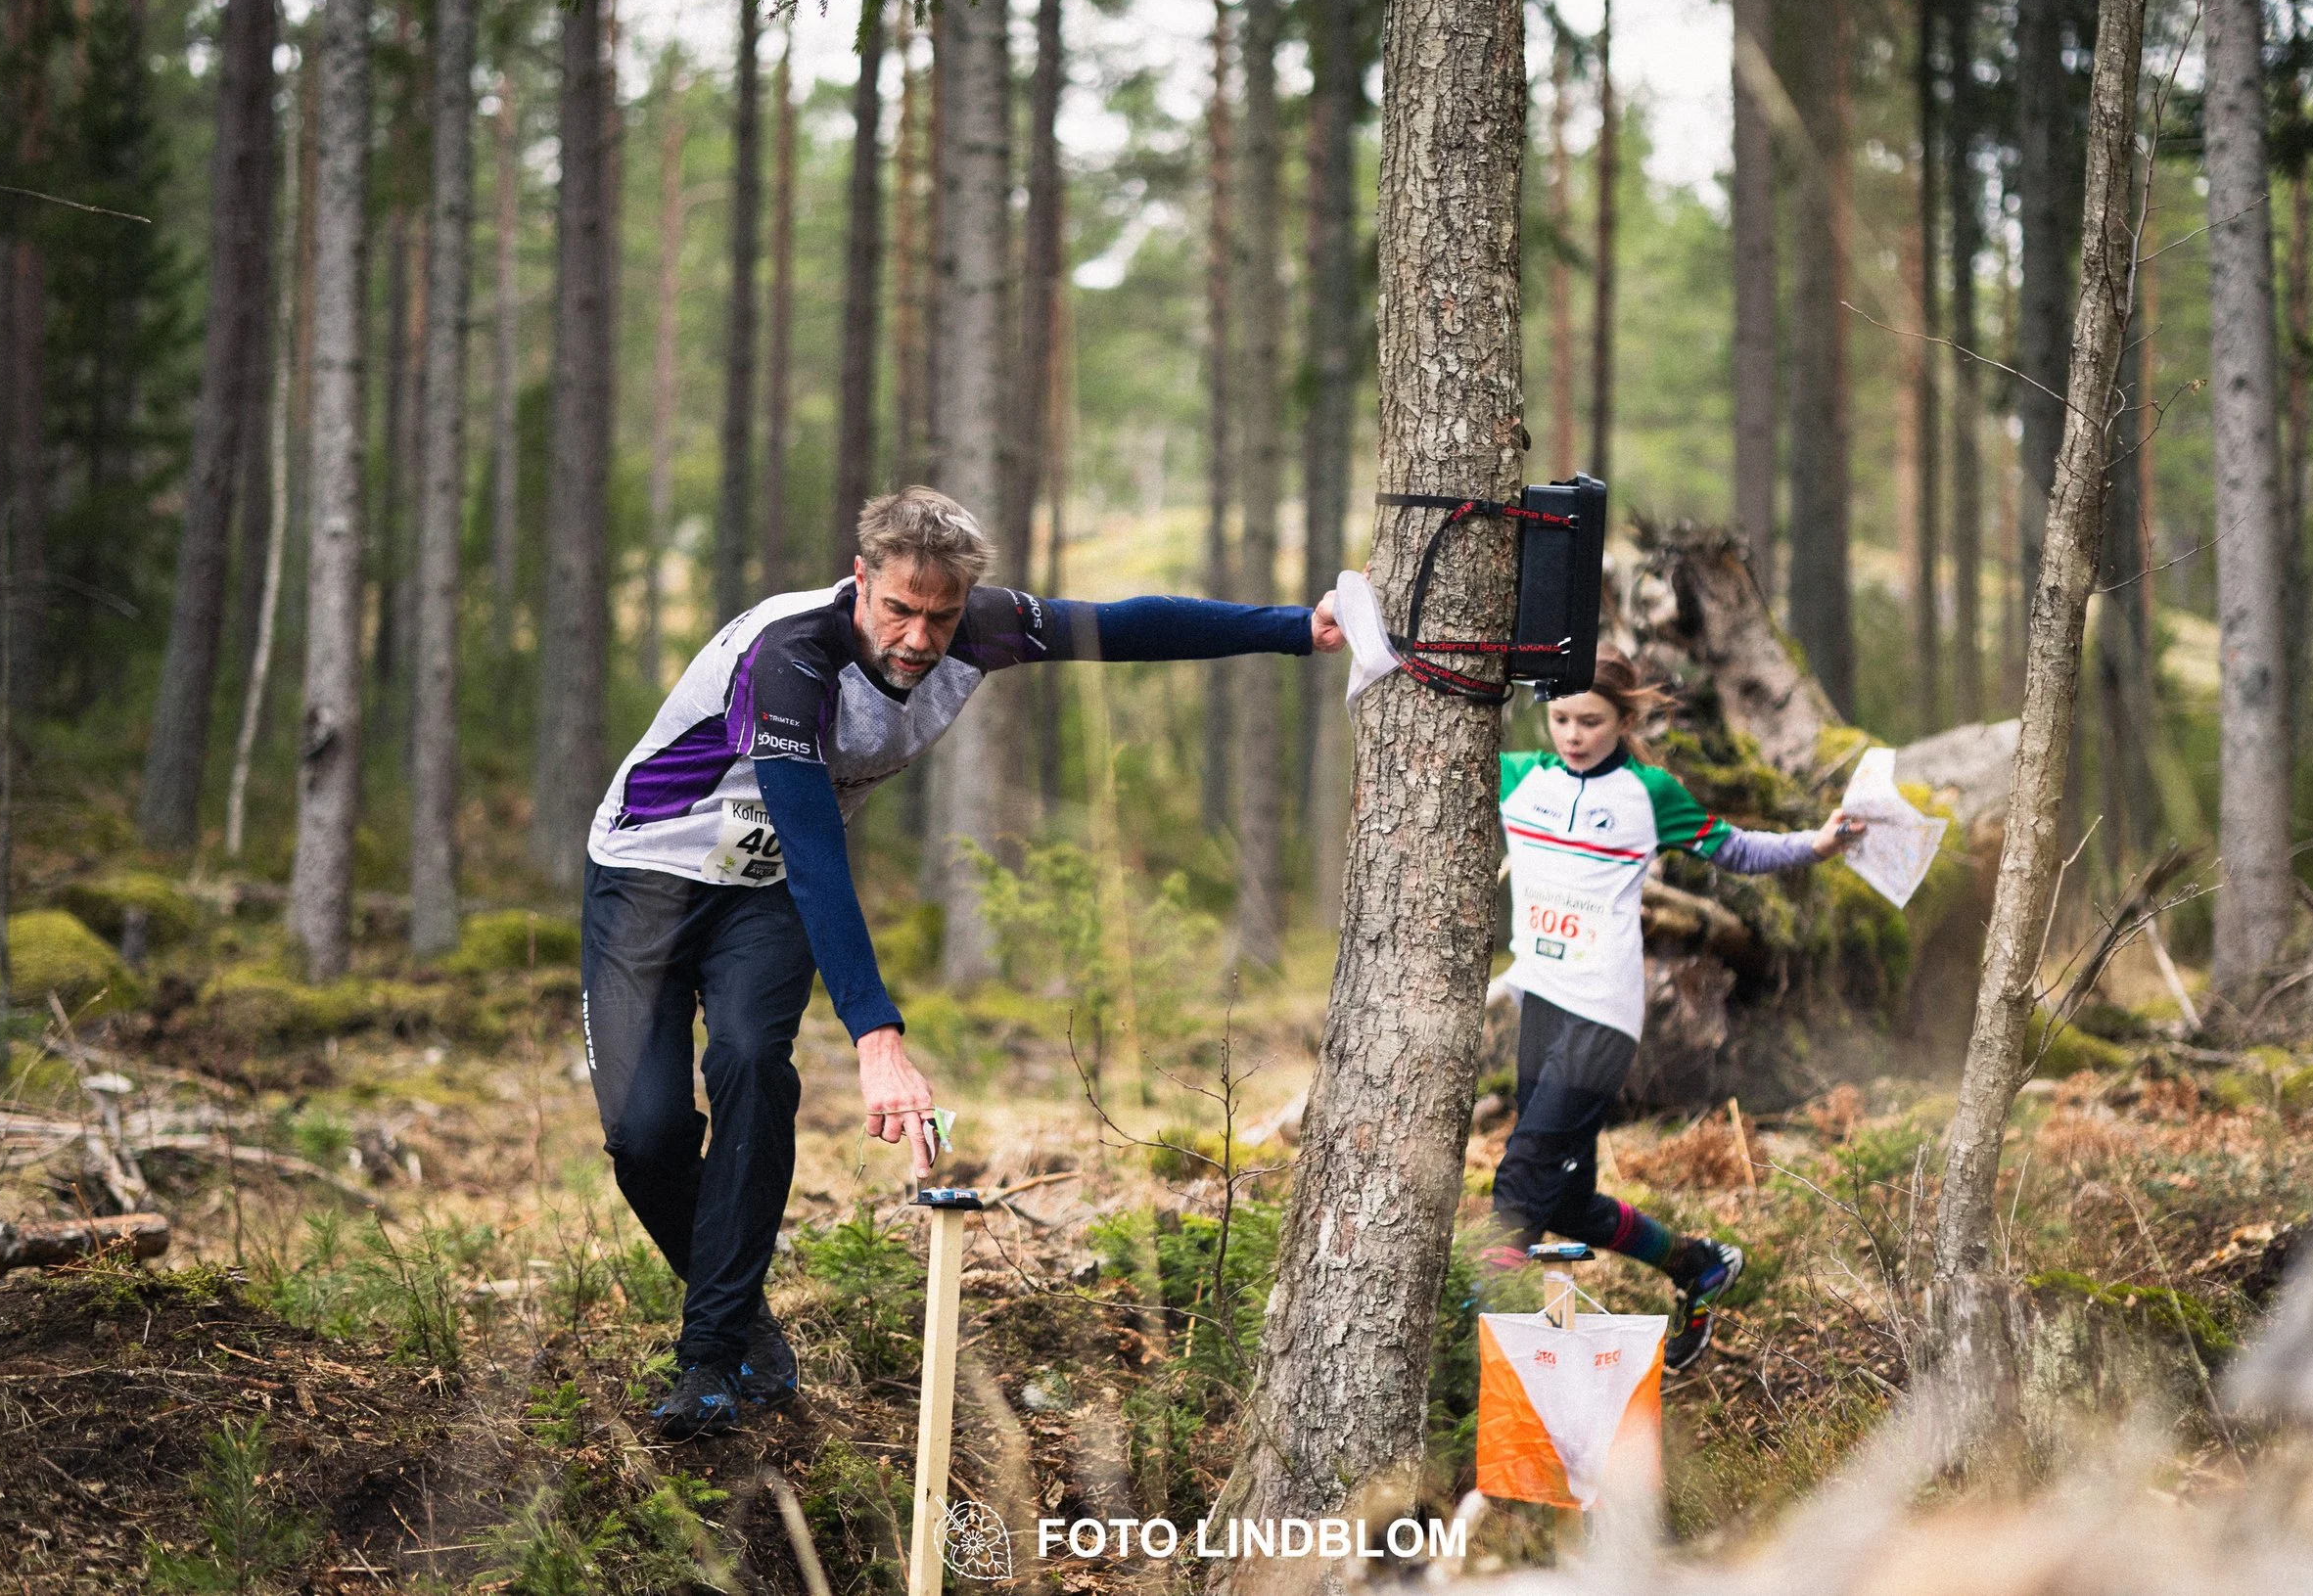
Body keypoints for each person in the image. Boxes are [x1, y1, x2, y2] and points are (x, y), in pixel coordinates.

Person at [582, 486, 1345, 1438]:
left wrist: (1292, 626)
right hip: (649, 876)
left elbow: (1117, 626)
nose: (916, 636)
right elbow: (818, 844)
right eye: (898, 608)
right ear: (860, 580)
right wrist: (876, 1036)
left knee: (748, 1063)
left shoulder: (978, 624)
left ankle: (712, 1357)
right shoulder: (792, 659)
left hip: (765, 890)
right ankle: (739, 1319)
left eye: (940, 615)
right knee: (644, 1133)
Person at [1485, 652, 1863, 1371]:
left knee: (1524, 1171)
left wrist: (1819, 842)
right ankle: (1696, 1263)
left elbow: (1738, 849)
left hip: (1602, 1009)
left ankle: (1471, 1321)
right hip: (1540, 999)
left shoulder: (1647, 792)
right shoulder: (1518, 775)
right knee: (1564, 1201)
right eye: (1561, 717)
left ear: (1625, 720)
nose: (1572, 733)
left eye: (1591, 720)